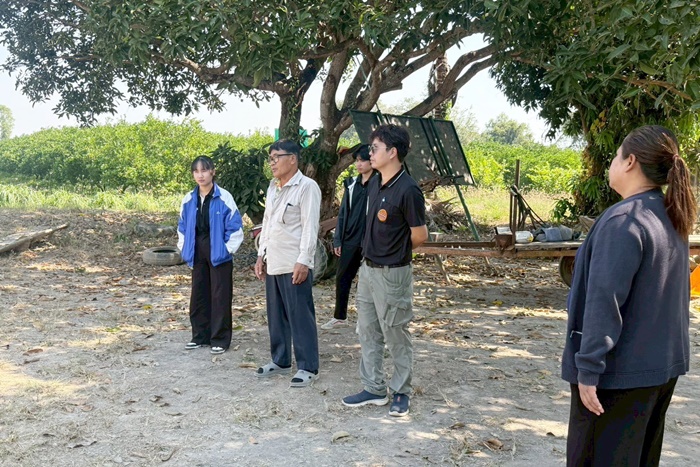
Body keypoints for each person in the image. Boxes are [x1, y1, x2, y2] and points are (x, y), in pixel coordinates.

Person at [562, 125, 696, 466]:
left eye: (615, 155)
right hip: (658, 370)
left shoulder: (624, 220)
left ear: (630, 161)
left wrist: (588, 369)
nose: (612, 163)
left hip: (618, 376)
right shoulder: (669, 214)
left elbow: (604, 301)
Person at [342, 124, 428, 417]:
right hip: (368, 269)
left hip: (393, 273)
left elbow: (420, 235)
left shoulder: (408, 189)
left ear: (392, 152)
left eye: (375, 148)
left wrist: (395, 253)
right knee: (367, 330)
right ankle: (374, 388)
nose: (370, 153)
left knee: (395, 332)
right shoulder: (375, 183)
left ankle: (401, 391)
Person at [254, 139, 322, 388]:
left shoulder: (307, 187)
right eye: (270, 159)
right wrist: (261, 254)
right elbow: (267, 223)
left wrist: (304, 260)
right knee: (276, 315)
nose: (272, 163)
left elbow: (310, 226)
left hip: (295, 262)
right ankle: (280, 360)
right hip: (274, 259)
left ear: (292, 159)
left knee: (300, 315)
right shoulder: (274, 188)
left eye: (276, 158)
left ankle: (308, 366)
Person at [177, 156, 244, 355]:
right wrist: (184, 248)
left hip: (219, 251)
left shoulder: (224, 197)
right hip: (197, 249)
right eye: (196, 171)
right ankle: (199, 336)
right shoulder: (189, 199)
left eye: (204, 170)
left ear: (212, 172)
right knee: (199, 293)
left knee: (220, 295)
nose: (200, 175)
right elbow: (182, 226)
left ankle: (220, 339)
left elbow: (235, 226)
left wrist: (226, 250)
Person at [321, 144, 375, 330]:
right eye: (357, 161)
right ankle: (339, 317)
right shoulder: (351, 184)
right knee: (342, 277)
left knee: (368, 282)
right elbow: (343, 214)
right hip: (350, 239)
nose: (359, 164)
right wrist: (338, 239)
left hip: (370, 241)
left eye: (363, 161)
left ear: (372, 161)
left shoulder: (379, 184)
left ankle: (365, 321)